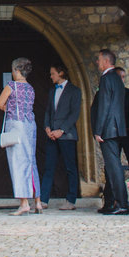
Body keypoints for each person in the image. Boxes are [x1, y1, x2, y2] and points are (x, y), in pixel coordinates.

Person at [0, 57, 41, 215]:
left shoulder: (11, 86)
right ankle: (38, 201)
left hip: (16, 125)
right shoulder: (31, 88)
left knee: (18, 162)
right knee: (31, 161)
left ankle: (24, 203)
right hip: (30, 125)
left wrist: (10, 110)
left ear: (16, 70)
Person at [90, 49, 129, 216]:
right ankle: (111, 203)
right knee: (111, 168)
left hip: (108, 129)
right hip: (116, 128)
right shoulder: (116, 78)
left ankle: (121, 204)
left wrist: (98, 130)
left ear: (106, 61)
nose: (97, 63)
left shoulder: (107, 78)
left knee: (114, 168)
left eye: (99, 60)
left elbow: (105, 106)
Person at [39, 62, 81, 211]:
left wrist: (61, 130)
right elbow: (48, 111)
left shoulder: (75, 91)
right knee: (48, 167)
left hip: (67, 135)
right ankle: (43, 200)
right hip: (52, 135)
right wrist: (47, 127)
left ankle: (71, 200)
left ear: (61, 73)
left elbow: (74, 114)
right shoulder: (52, 91)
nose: (51, 76)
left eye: (53, 74)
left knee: (70, 168)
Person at [100, 64, 129, 213]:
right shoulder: (111, 93)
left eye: (123, 77)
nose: (121, 80)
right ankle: (109, 201)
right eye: (119, 77)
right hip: (115, 134)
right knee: (112, 166)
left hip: (127, 133)